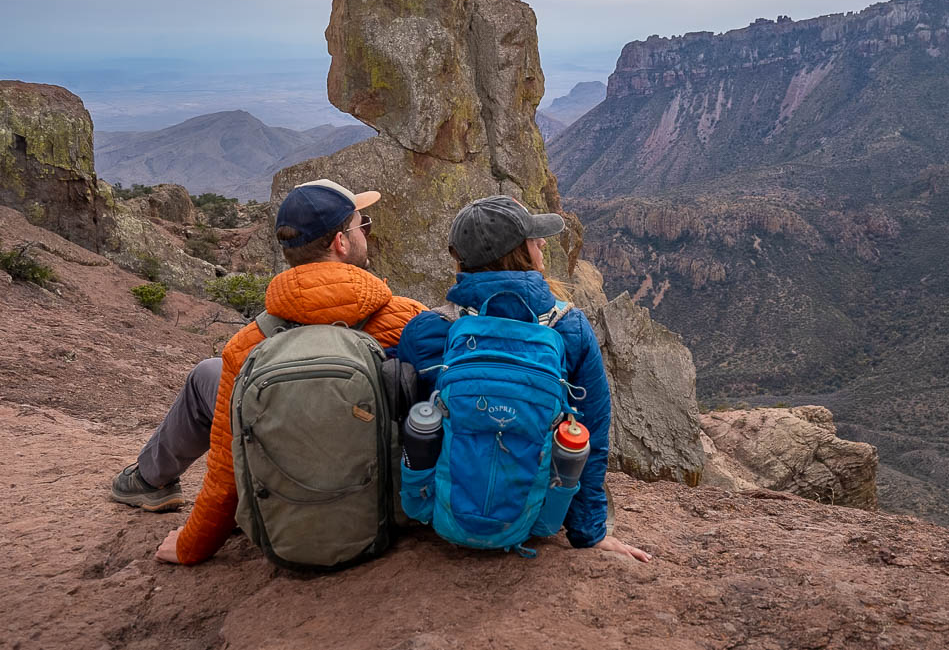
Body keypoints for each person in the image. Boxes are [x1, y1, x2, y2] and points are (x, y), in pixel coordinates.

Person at [110, 178, 425, 565]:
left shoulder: (246, 345)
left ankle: (148, 480)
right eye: (364, 225)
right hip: (380, 508)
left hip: (284, 508)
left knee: (206, 375)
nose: (366, 233)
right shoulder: (406, 317)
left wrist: (192, 546)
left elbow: (225, 473)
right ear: (341, 243)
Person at [393, 195, 651, 562]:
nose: (543, 243)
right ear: (518, 252)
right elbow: (590, 430)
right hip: (538, 520)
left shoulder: (427, 331)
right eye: (534, 239)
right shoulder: (570, 328)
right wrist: (589, 532)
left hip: (440, 515)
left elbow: (410, 424)